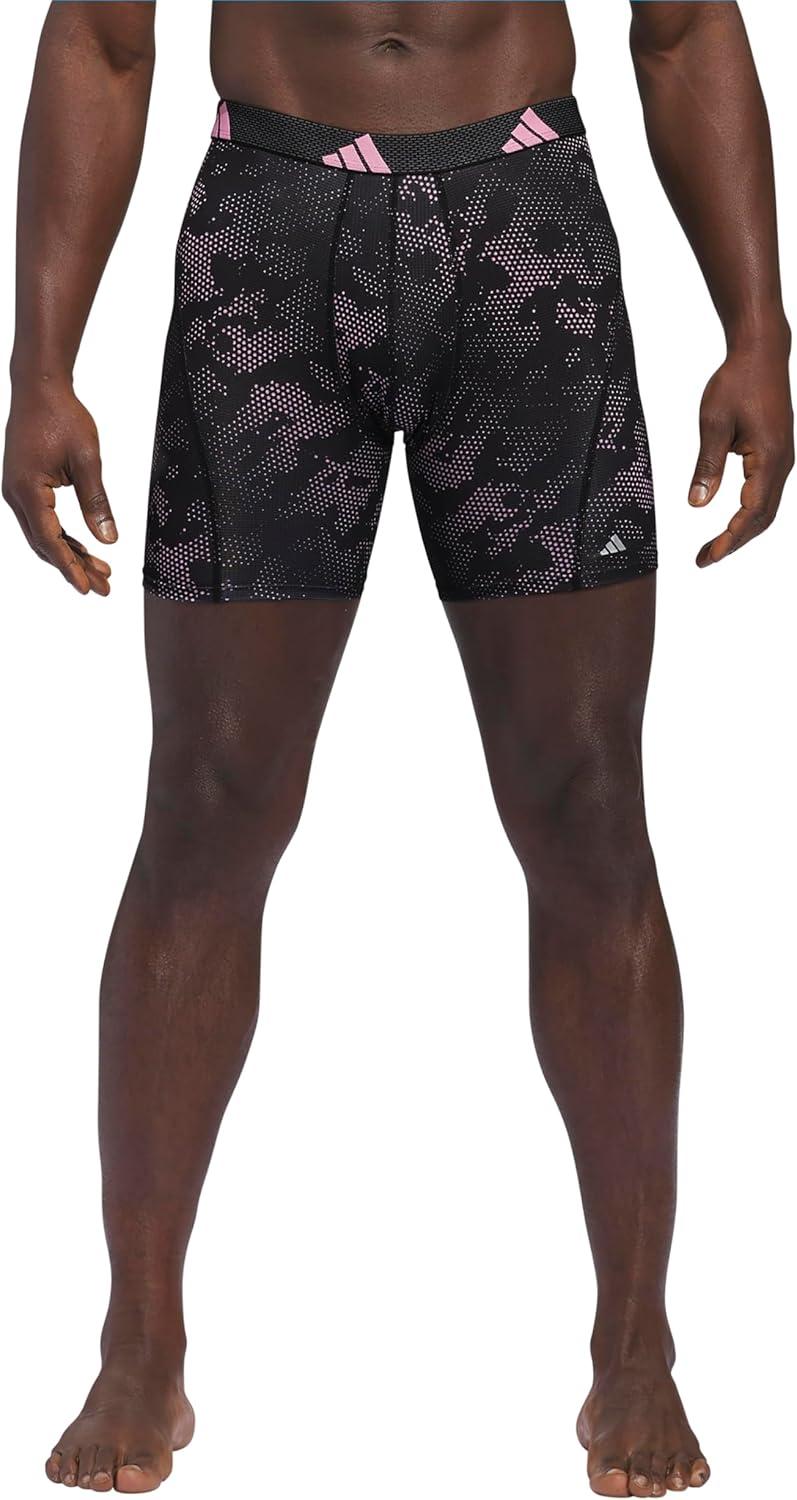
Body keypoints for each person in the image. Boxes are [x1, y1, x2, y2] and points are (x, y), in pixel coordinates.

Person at [3, 2, 792, 1494]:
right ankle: (139, 1341)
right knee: (206, 807)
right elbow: (102, 36)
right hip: (267, 229)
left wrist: (758, 326)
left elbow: (684, 25)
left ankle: (636, 1347)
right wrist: (42, 361)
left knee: (586, 806)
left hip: (523, 224)